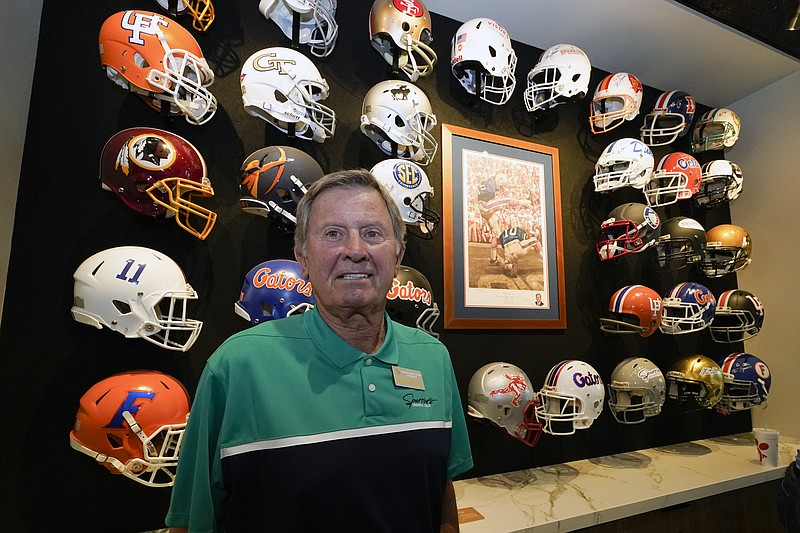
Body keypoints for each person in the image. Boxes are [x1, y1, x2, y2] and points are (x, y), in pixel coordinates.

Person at [165, 169, 473, 532]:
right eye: (333, 234)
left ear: (398, 255)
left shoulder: (432, 357)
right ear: (303, 258)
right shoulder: (237, 366)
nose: (355, 251)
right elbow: (190, 521)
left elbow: (440, 492)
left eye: (372, 233)